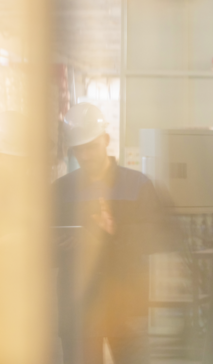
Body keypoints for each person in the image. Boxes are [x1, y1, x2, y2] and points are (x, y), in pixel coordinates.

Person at [54, 102, 171, 364]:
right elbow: (42, 249)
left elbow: (158, 237)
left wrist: (115, 231)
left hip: (127, 306)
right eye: (79, 150)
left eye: (91, 147)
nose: (85, 156)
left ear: (106, 140)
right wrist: (58, 245)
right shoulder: (60, 191)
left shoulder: (137, 185)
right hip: (78, 310)